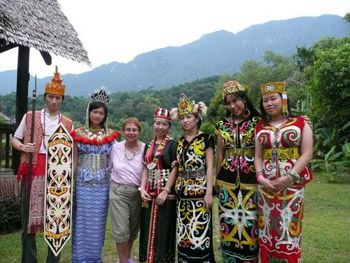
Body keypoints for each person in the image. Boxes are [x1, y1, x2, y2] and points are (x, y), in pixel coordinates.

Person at [11, 66, 73, 263]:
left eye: (58, 98)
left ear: (62, 100)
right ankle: (29, 259)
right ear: (45, 97)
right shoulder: (30, 116)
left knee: (56, 220)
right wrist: (23, 147)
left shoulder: (68, 123)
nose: (54, 101)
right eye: (51, 97)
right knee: (29, 219)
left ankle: (52, 260)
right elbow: (14, 138)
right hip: (33, 169)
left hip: (58, 173)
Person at [254, 82, 313, 263]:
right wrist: (260, 177)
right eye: (265, 100)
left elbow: (307, 152)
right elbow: (257, 156)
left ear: (283, 99)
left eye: (273, 98)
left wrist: (290, 177)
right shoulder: (260, 127)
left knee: (288, 231)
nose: (269, 103)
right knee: (267, 232)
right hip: (266, 189)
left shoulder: (301, 123)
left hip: (292, 187)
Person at [70, 88, 120, 263]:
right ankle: (80, 258)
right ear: (89, 112)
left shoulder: (110, 136)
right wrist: (69, 180)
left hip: (102, 185)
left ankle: (94, 258)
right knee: (81, 221)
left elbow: (114, 162)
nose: (97, 116)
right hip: (82, 184)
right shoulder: (78, 133)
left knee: (97, 223)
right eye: (95, 111)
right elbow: (74, 160)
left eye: (101, 113)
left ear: (105, 115)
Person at [215, 80, 261, 263]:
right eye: (228, 103)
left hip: (252, 181)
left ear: (244, 99)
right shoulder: (221, 125)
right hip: (227, 181)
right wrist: (216, 182)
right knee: (228, 222)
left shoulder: (258, 122)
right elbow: (220, 155)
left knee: (250, 223)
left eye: (235, 101)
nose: (233, 106)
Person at [170, 93, 216, 263]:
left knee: (200, 232)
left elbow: (210, 166)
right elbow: (177, 166)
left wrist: (209, 192)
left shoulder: (206, 138)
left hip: (200, 192)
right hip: (182, 194)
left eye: (189, 117)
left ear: (197, 118)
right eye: (182, 118)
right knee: (184, 233)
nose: (185, 121)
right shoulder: (179, 141)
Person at [139, 108, 177, 263]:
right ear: (153, 124)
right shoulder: (149, 145)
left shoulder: (172, 144)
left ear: (169, 126)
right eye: (157, 123)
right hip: (149, 193)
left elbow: (175, 168)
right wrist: (142, 189)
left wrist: (166, 190)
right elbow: (145, 168)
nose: (160, 127)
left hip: (165, 193)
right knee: (147, 230)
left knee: (163, 230)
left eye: (164, 124)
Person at [109, 118, 145, 263]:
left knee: (131, 230)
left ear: (139, 131)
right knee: (121, 230)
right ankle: (122, 260)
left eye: (134, 130)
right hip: (118, 191)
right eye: (128, 130)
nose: (131, 133)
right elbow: (109, 167)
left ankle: (127, 258)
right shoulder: (116, 148)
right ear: (123, 131)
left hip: (137, 193)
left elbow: (147, 170)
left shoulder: (145, 148)